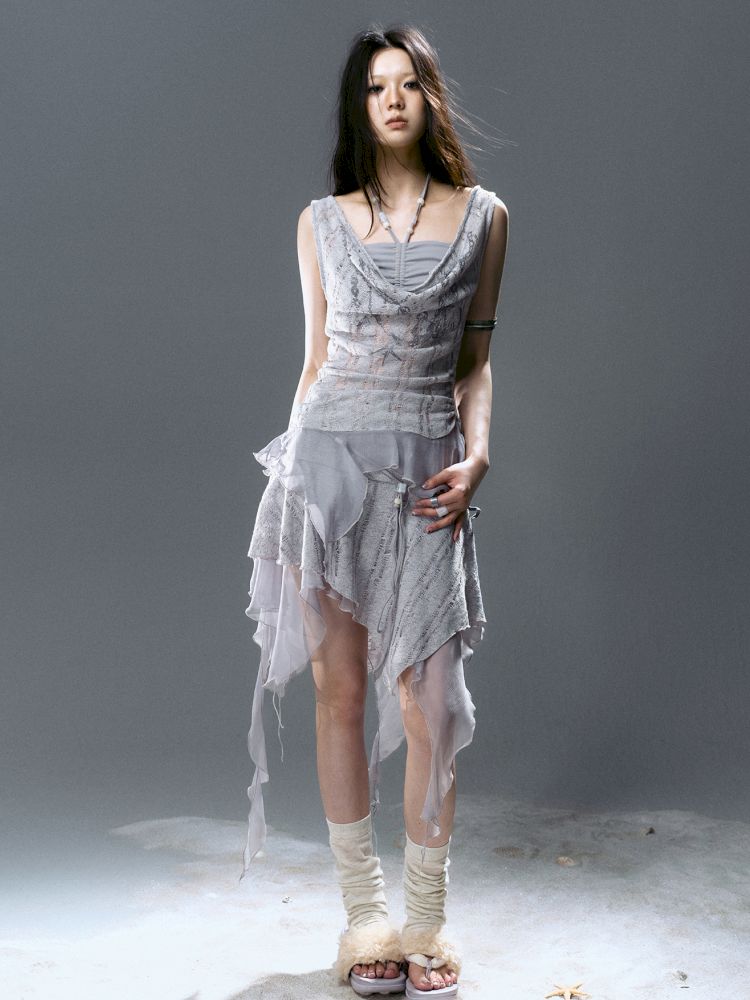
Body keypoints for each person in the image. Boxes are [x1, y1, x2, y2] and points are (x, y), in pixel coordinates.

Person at [242, 23, 509, 999]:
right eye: (374, 87)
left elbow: (475, 360)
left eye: (407, 83)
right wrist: (291, 479)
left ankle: (427, 918)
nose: (392, 100)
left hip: (430, 469)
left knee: (432, 702)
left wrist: (479, 455)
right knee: (341, 696)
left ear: (430, 97)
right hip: (329, 466)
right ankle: (365, 920)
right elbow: (316, 358)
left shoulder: (485, 218)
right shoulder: (319, 222)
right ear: (360, 107)